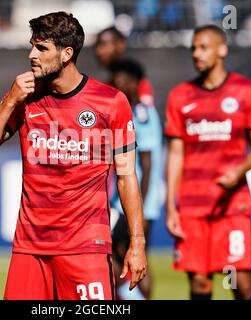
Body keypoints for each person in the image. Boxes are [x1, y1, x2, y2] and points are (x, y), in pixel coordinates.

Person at [0, 11, 147, 300]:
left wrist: (136, 244)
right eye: (32, 45)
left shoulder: (111, 103)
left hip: (86, 248)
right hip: (30, 248)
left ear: (66, 54)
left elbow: (126, 177)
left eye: (41, 48)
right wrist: (10, 101)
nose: (31, 55)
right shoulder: (24, 98)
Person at [165, 24, 251, 300]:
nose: (196, 54)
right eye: (193, 48)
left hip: (232, 203)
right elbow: (176, 153)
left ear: (222, 49)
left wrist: (239, 170)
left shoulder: (248, 91)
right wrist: (171, 206)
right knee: (199, 283)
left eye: (203, 47)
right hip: (192, 204)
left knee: (239, 281)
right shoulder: (180, 96)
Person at [108, 60, 162, 300]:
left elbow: (148, 164)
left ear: (136, 83)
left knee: (133, 256)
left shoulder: (140, 113)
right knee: (119, 256)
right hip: (125, 200)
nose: (118, 85)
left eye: (123, 81)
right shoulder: (128, 110)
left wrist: (141, 207)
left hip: (136, 200)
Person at [95, 26, 155, 106]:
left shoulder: (121, 79)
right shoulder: (113, 76)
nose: (98, 51)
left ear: (120, 45)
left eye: (103, 45)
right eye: (96, 46)